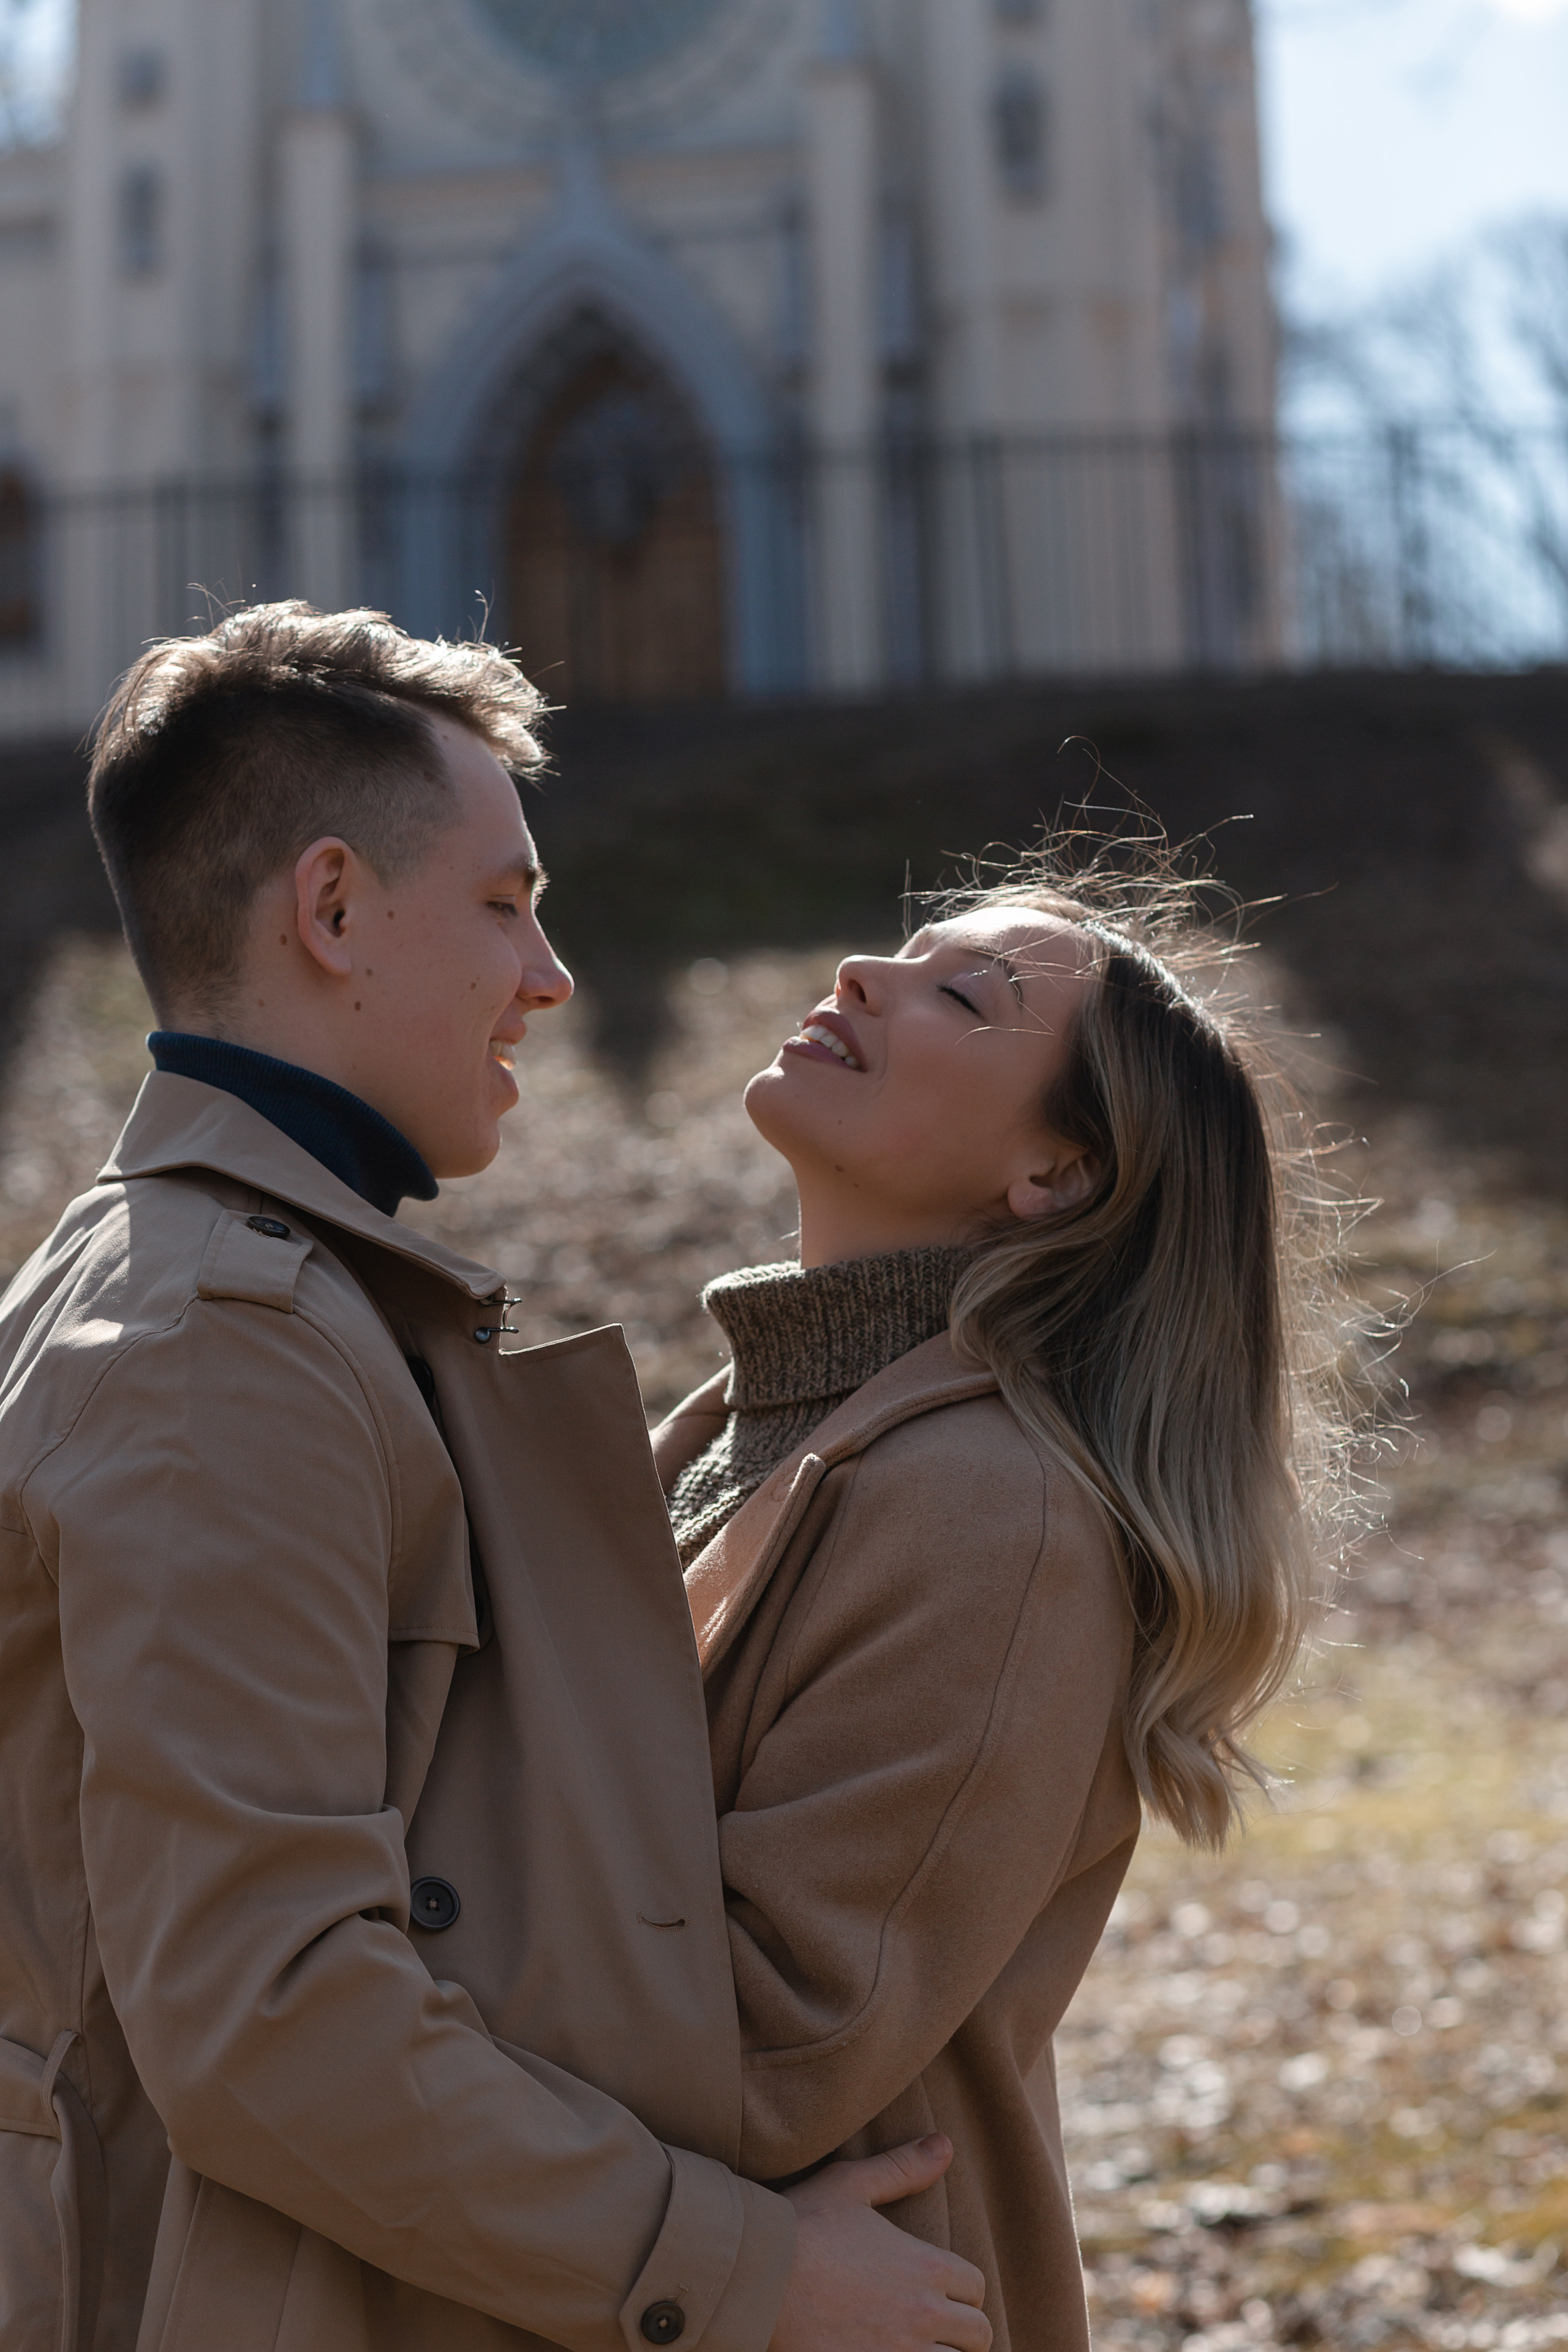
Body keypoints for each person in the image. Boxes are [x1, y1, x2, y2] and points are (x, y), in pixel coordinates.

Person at [0, 603, 992, 2352]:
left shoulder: (166, 1279)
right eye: (504, 902)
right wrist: (750, 2272)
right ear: (329, 912)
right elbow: (269, 2012)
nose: (549, 977)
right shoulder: (217, 1343)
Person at [652, 852, 1349, 2352]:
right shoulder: (752, 1419)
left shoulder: (994, 1516)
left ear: (1053, 1176)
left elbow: (775, 2037)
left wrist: (351, 1962)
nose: (859, 977)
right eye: (900, 948)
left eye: (958, 993)